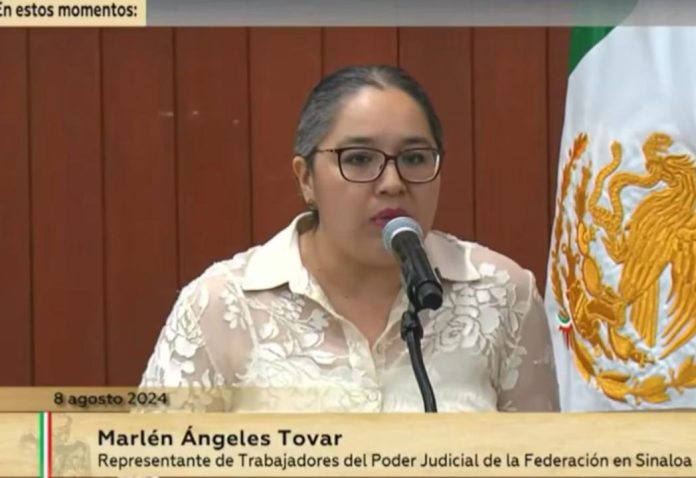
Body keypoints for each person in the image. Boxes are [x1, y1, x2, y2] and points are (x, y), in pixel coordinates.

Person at [139, 65, 559, 413]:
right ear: (306, 178)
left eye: (415, 158)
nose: (392, 183)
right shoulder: (220, 306)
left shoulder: (502, 294)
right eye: (359, 159)